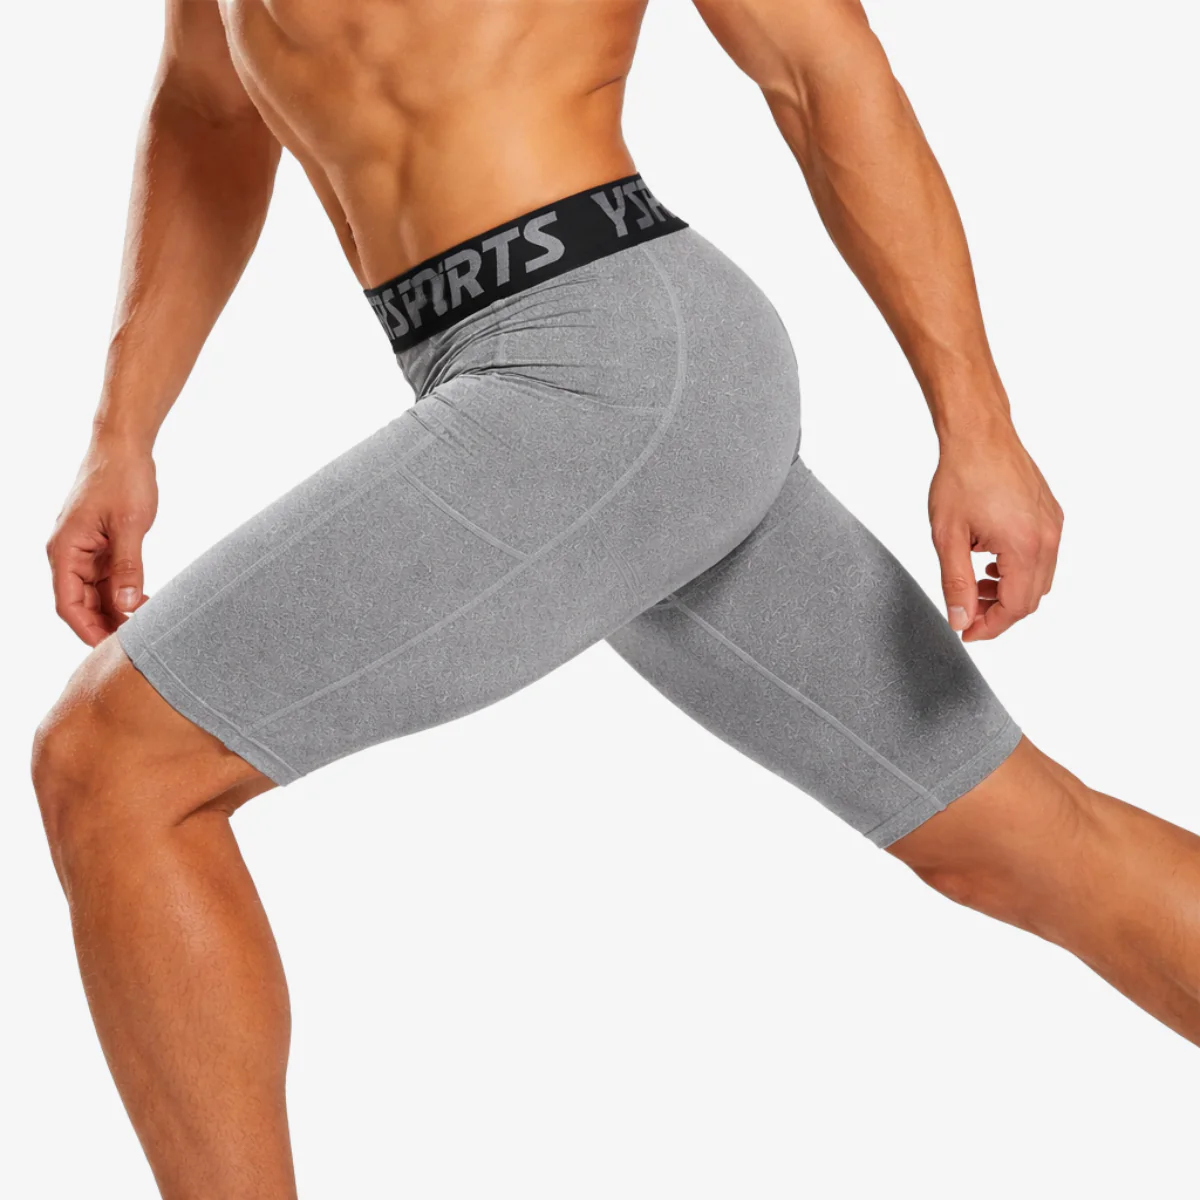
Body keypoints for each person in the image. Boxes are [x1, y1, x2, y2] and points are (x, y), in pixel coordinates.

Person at [32, 0, 1199, 1195]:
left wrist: (977, 424)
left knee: (113, 765)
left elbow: (820, 69)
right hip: (519, 378)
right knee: (1011, 837)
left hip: (612, 360)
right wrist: (123, 433)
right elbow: (207, 112)